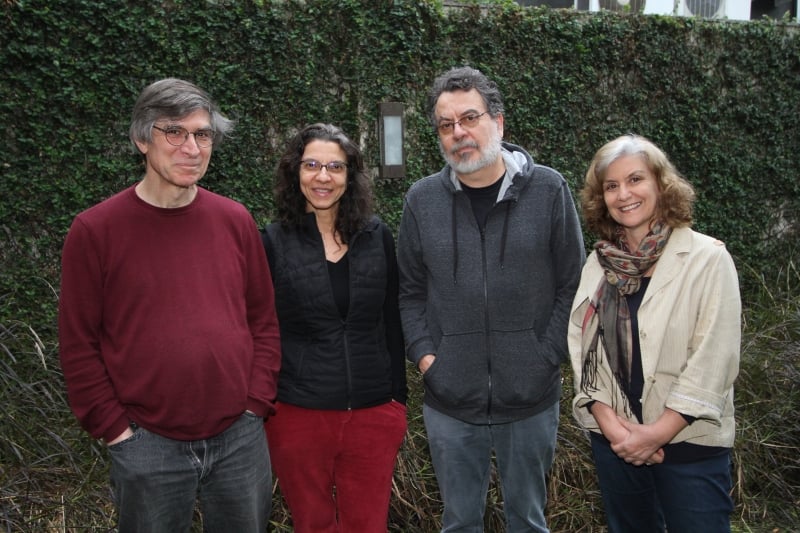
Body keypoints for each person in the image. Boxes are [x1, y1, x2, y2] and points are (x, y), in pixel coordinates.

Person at [58, 78, 281, 533]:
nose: (191, 147)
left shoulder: (235, 220)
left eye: (202, 134)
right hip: (147, 443)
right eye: (173, 132)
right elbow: (78, 343)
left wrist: (255, 403)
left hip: (239, 437)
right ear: (141, 139)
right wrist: (117, 430)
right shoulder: (95, 231)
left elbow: (263, 320)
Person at [397, 66, 585, 532]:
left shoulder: (549, 190)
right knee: (459, 522)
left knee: (528, 520)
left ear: (498, 122)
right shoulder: (421, 200)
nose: (459, 132)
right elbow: (409, 292)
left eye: (469, 117)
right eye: (446, 124)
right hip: (449, 401)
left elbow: (573, 284)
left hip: (531, 398)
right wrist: (427, 360)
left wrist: (545, 357)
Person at [568, 134, 741, 532]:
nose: (623, 194)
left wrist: (655, 435)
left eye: (635, 179)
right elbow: (583, 349)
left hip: (690, 443)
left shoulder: (707, 258)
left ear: (661, 185)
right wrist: (612, 426)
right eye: (611, 186)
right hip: (616, 443)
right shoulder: (598, 264)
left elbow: (715, 357)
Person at [262, 123, 408, 533]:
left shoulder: (377, 236)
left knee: (367, 525)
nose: (323, 177)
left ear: (350, 175)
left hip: (374, 411)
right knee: (313, 524)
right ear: (295, 172)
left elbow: (391, 320)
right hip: (297, 413)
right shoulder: (272, 242)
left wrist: (397, 399)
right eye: (311, 165)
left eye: (335, 167)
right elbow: (262, 329)